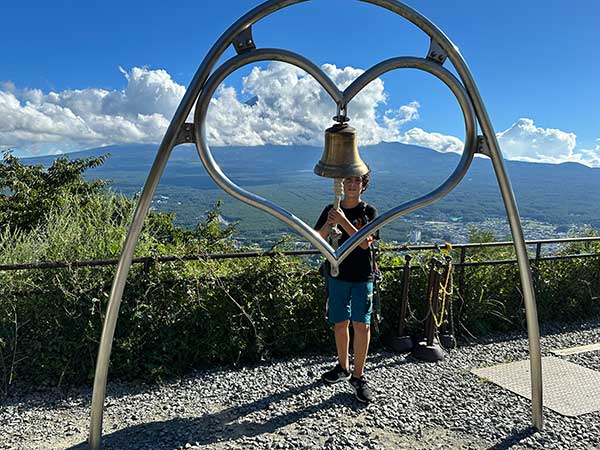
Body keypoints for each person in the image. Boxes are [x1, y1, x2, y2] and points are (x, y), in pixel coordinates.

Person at [314, 171, 378, 403]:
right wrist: (330, 222)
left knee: (362, 325)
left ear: (363, 185)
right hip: (337, 274)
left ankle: (359, 376)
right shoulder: (330, 208)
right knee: (340, 323)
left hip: (362, 276)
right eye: (347, 180)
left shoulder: (368, 212)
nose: (352, 184)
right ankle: (343, 366)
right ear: (341, 184)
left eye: (356, 180)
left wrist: (343, 221)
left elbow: (364, 244)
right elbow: (318, 239)